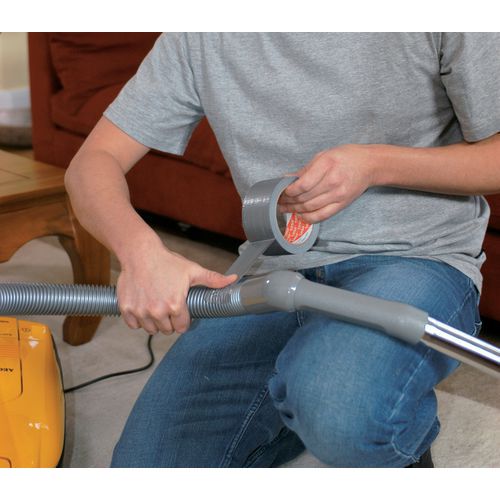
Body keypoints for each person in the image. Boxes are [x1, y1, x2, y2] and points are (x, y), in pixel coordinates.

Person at [65, 33, 500, 467]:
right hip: (271, 275)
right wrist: (141, 251)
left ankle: (370, 421)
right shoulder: (200, 33)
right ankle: (319, 386)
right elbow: (92, 162)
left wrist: (375, 164)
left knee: (341, 409)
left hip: (415, 259)